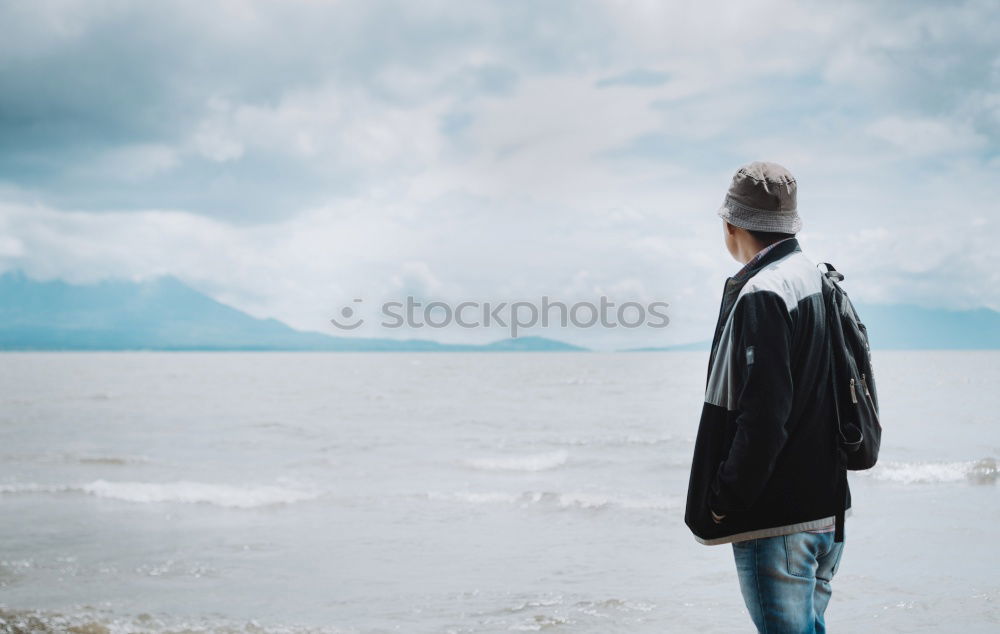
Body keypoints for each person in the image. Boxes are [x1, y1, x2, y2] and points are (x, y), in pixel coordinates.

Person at [684, 161, 851, 633]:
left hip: (777, 519)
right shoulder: (820, 278)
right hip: (828, 509)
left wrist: (725, 499)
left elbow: (764, 416)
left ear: (731, 224)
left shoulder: (765, 291)